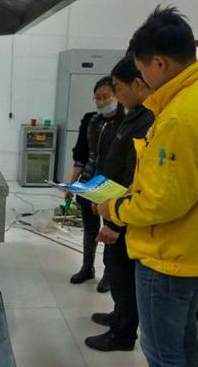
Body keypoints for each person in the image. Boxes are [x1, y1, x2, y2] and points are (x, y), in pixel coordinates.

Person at [97, 6, 198, 367]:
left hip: (170, 256)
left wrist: (114, 210)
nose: (141, 79)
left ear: (159, 63)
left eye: (141, 69)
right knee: (180, 342)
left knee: (163, 355)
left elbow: (165, 202)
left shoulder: (183, 114)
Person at [84, 56, 154, 352]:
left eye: (117, 89)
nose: (116, 96)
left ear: (137, 84)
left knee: (124, 273)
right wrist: (98, 195)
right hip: (112, 203)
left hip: (125, 212)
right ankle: (118, 316)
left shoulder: (148, 120)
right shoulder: (132, 115)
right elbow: (113, 162)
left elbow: (132, 173)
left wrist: (114, 222)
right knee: (115, 266)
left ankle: (123, 335)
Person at [68, 76, 125, 293]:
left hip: (112, 187)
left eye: (106, 97)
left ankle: (109, 274)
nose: (101, 102)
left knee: (109, 230)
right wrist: (70, 184)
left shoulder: (126, 124)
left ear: (117, 96)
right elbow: (80, 155)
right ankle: (87, 268)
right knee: (89, 229)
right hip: (88, 183)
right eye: (97, 98)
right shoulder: (90, 121)